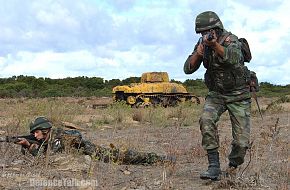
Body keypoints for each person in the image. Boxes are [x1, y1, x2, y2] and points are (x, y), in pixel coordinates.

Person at [184, 11, 251, 180]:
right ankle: (213, 167)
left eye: (208, 31)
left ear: (217, 28)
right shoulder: (202, 43)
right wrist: (198, 54)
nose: (205, 35)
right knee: (206, 120)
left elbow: (234, 59)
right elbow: (188, 69)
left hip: (239, 94)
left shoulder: (231, 40)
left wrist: (215, 46)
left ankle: (233, 165)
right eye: (202, 32)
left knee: (241, 143)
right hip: (217, 94)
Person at [15, 116, 175, 165]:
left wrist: (30, 147)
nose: (35, 136)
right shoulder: (50, 138)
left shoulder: (58, 136)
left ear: (45, 130)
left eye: (36, 132)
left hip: (101, 155)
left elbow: (49, 160)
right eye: (33, 134)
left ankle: (163, 160)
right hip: (96, 156)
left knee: (131, 157)